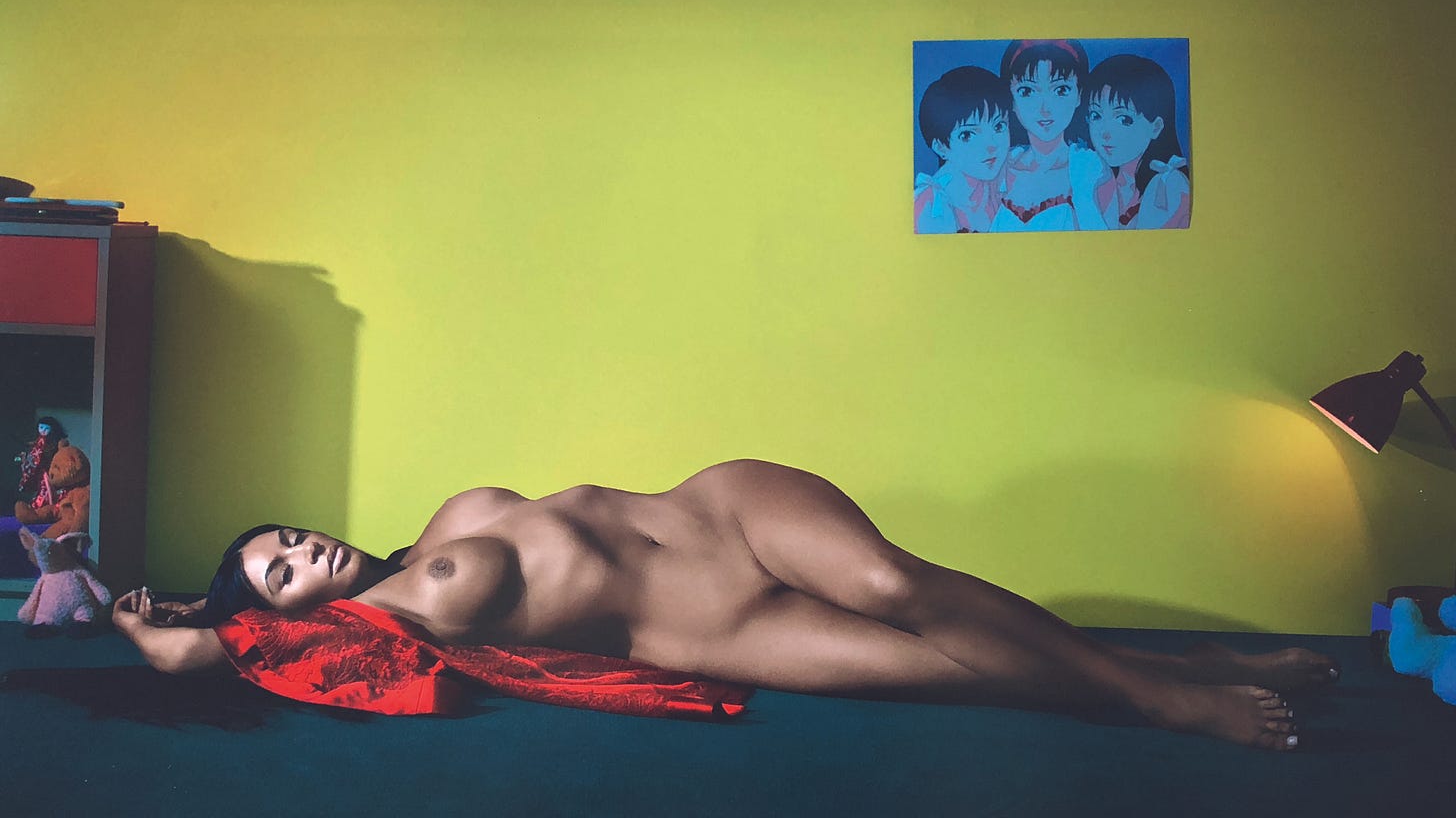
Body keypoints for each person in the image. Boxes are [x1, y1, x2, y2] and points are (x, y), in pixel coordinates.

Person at [113, 459, 1336, 750]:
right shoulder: (393, 631)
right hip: (724, 629)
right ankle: (1179, 675)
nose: (302, 553)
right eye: (279, 571)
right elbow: (194, 661)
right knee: (957, 668)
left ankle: (1174, 696)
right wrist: (140, 617)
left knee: (896, 585)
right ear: (277, 615)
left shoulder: (438, 526)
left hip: (723, 509)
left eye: (288, 538)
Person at [991, 40, 1107, 232]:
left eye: (1061, 90)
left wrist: (1084, 195)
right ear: (1011, 100)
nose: (1045, 108)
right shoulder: (999, 165)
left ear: (1079, 95)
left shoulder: (1090, 167)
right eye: (1027, 91)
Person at [1084, 54, 1191, 230]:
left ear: (1156, 127)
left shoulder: (1169, 185)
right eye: (1096, 116)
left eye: (1123, 119)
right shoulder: (1097, 182)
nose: (1105, 133)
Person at [914, 66, 1012, 233]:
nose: (991, 145)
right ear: (941, 147)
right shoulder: (930, 205)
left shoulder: (1002, 184)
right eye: (967, 135)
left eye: (998, 126)